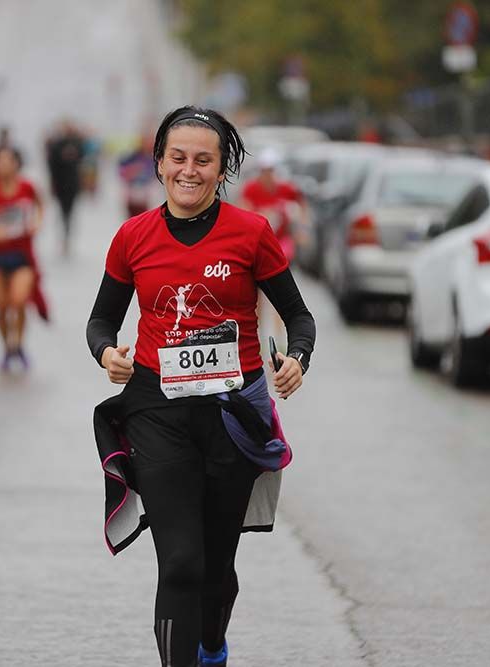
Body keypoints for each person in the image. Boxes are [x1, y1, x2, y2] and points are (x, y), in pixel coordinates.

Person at [87, 106, 316, 667]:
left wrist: (297, 359)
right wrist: (107, 354)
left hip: (231, 416)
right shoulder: (132, 237)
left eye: (203, 160)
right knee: (181, 563)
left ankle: (212, 645)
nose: (189, 170)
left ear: (221, 169)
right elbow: (100, 321)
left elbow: (299, 317)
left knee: (216, 570)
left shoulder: (252, 233)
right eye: (178, 158)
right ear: (160, 164)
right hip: (156, 411)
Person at [0, 146, 49, 371]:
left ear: (16, 163)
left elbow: (41, 206)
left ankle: (20, 343)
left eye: (8, 160)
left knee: (20, 300)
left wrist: (37, 222)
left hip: (22, 253)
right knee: (3, 306)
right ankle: (7, 348)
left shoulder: (27, 187)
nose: (4, 165)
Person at [240, 148, 305, 345]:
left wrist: (300, 227)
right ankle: (258, 339)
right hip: (257, 248)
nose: (267, 175)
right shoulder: (251, 189)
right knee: (257, 297)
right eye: (264, 171)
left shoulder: (287, 189)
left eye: (271, 170)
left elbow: (301, 210)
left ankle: (280, 340)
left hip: (281, 247)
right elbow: (243, 212)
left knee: (280, 294)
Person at [44, 120, 85, 257]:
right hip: (61, 184)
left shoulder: (77, 144)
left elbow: (82, 159)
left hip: (72, 184)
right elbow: (52, 165)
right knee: (62, 212)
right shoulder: (56, 145)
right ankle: (63, 236)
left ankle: (67, 236)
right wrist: (52, 184)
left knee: (70, 212)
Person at [118, 133, 159, 218]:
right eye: (147, 142)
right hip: (133, 192)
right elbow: (122, 171)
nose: (149, 145)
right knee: (133, 220)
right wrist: (133, 170)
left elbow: (156, 175)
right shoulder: (133, 156)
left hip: (146, 195)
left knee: (144, 219)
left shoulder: (153, 158)